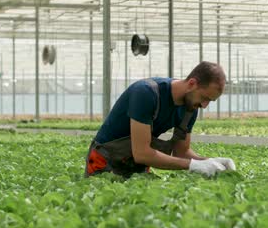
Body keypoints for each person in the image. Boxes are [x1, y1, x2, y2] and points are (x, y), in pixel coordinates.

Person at [85, 61, 236, 178]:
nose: (204, 105)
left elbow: (182, 153)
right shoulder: (146, 93)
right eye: (204, 98)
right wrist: (193, 165)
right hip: (105, 160)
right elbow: (142, 153)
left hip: (137, 166)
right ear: (192, 83)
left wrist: (212, 162)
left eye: (210, 101)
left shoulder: (190, 108)